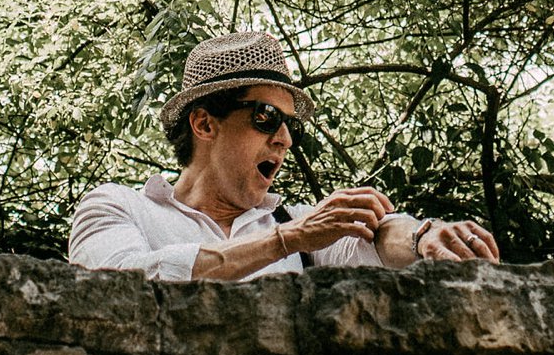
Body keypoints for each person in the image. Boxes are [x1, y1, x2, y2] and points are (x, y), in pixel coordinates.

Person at [69, 31, 501, 280]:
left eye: (289, 124)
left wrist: (423, 235)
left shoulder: (294, 223)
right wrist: (285, 241)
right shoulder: (117, 206)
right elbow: (116, 284)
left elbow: (375, 241)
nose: (284, 139)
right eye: (266, 116)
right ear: (204, 124)